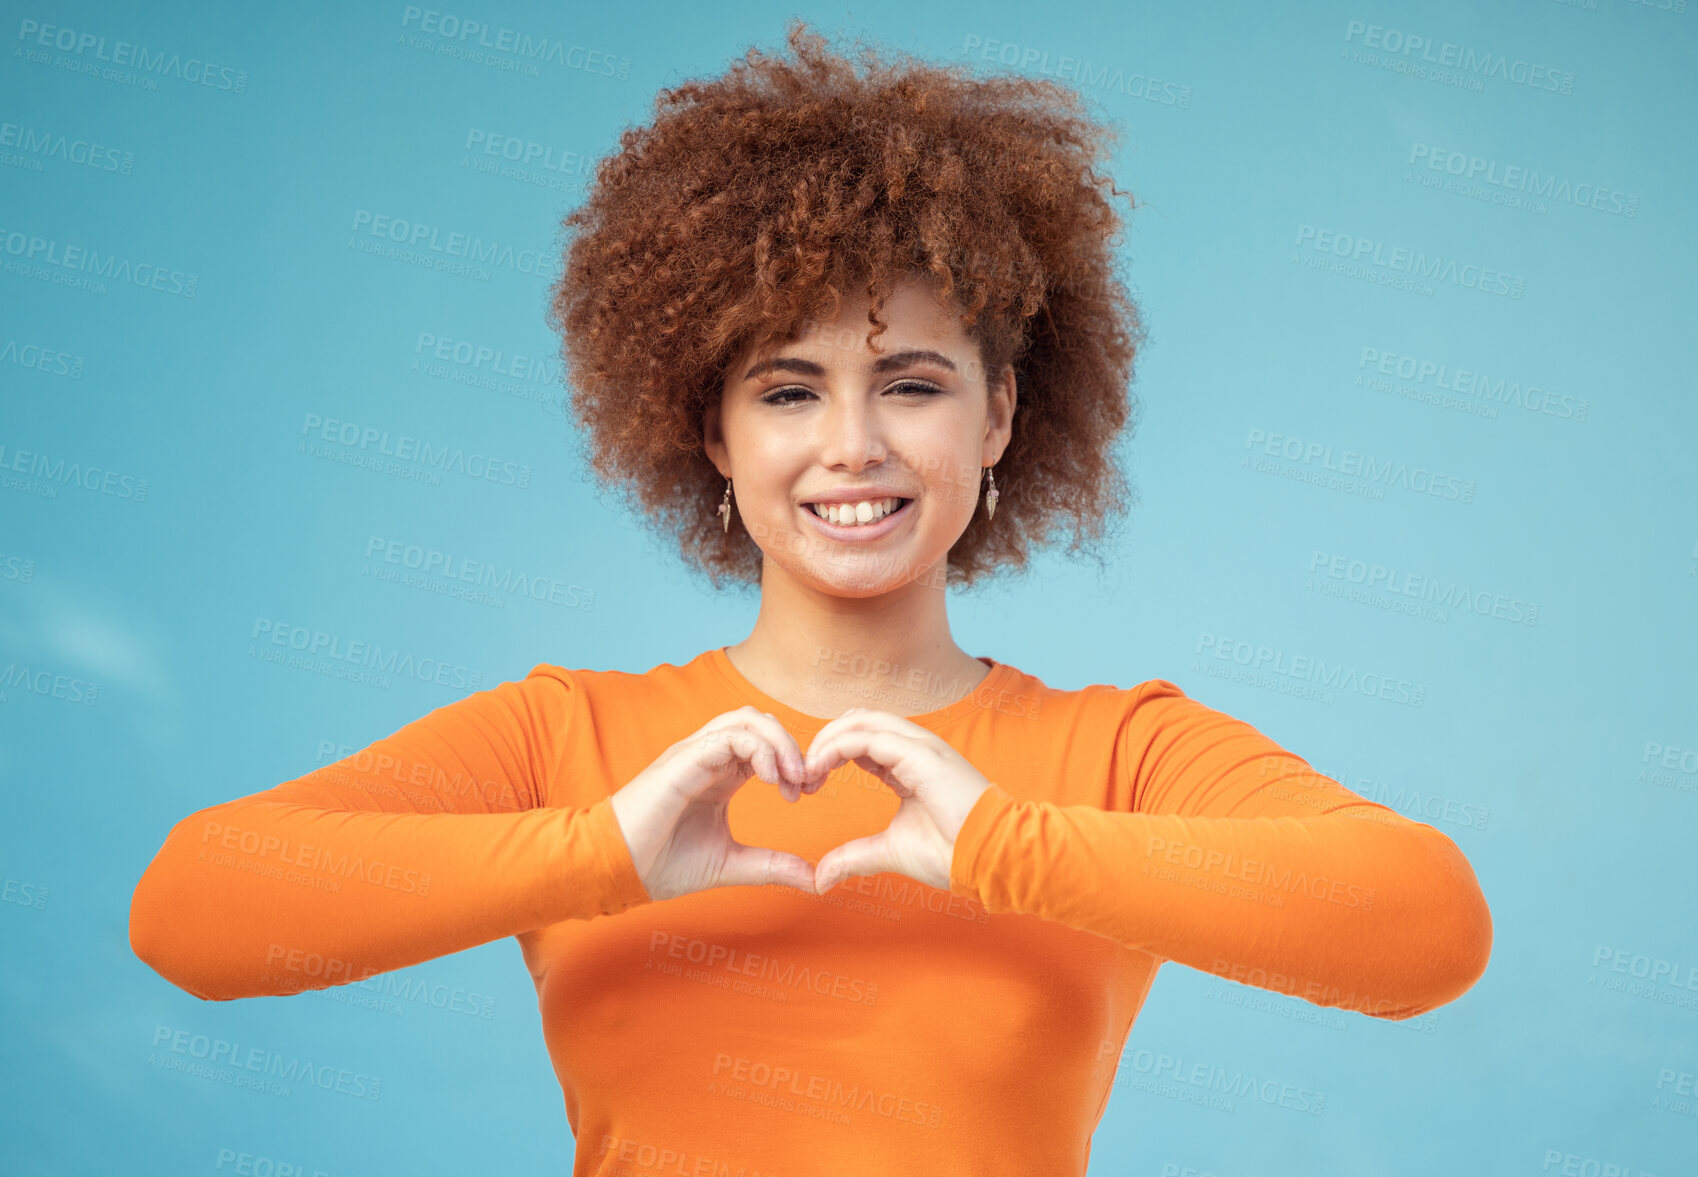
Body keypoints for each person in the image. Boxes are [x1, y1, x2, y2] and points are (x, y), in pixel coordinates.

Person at [129, 20, 1492, 1175]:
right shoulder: (570, 745)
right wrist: (600, 849)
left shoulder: (1115, 755)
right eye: (787, 389)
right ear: (711, 433)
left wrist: (1006, 847)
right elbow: (190, 910)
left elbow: (1423, 929)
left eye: (911, 383)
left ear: (1001, 414)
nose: (853, 445)